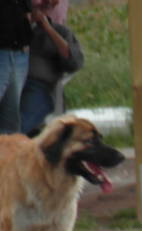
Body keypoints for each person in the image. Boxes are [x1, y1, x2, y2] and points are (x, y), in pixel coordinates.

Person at [20, 0, 83, 134]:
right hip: (10, 83)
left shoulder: (60, 31)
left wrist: (47, 28)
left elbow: (73, 62)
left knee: (20, 124)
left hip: (38, 86)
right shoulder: (10, 28)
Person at [0, 0, 32, 134]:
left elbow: (27, 15)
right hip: (3, 51)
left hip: (19, 52)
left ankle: (9, 151)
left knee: (11, 117)